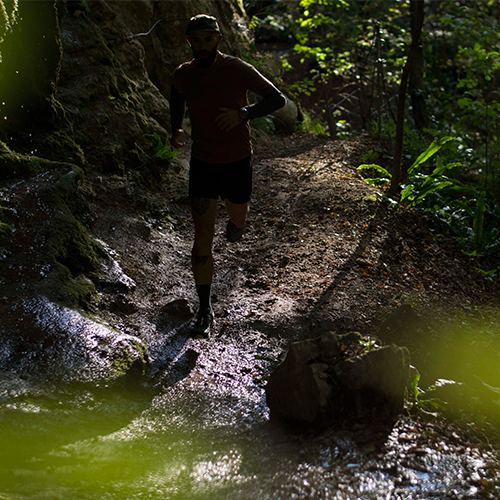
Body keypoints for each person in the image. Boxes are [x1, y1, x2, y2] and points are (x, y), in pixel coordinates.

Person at [169, 14, 286, 339]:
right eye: (196, 40)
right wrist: (176, 126)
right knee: (202, 235)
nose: (202, 45)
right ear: (190, 41)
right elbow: (176, 92)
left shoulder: (237, 69)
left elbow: (278, 99)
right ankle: (204, 308)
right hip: (203, 163)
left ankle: (237, 225)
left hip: (237, 160)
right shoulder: (185, 73)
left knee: (237, 216)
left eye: (208, 39)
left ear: (218, 39)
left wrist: (242, 114)